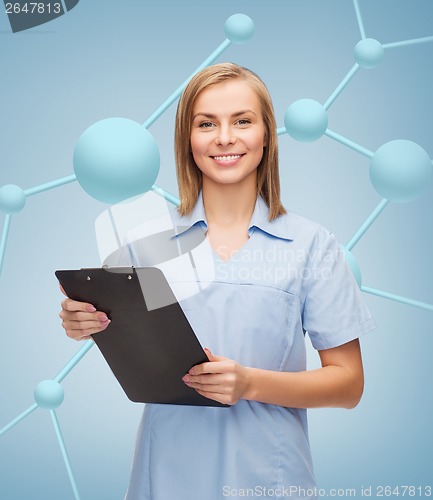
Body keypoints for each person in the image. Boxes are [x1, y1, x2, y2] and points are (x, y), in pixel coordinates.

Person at [59, 62, 376, 499]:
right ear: (187, 141)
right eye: (207, 123)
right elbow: (133, 343)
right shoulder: (144, 246)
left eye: (242, 121)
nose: (225, 137)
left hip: (269, 478)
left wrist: (249, 383)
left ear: (266, 134)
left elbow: (348, 384)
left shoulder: (312, 246)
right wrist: (84, 322)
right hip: (165, 475)